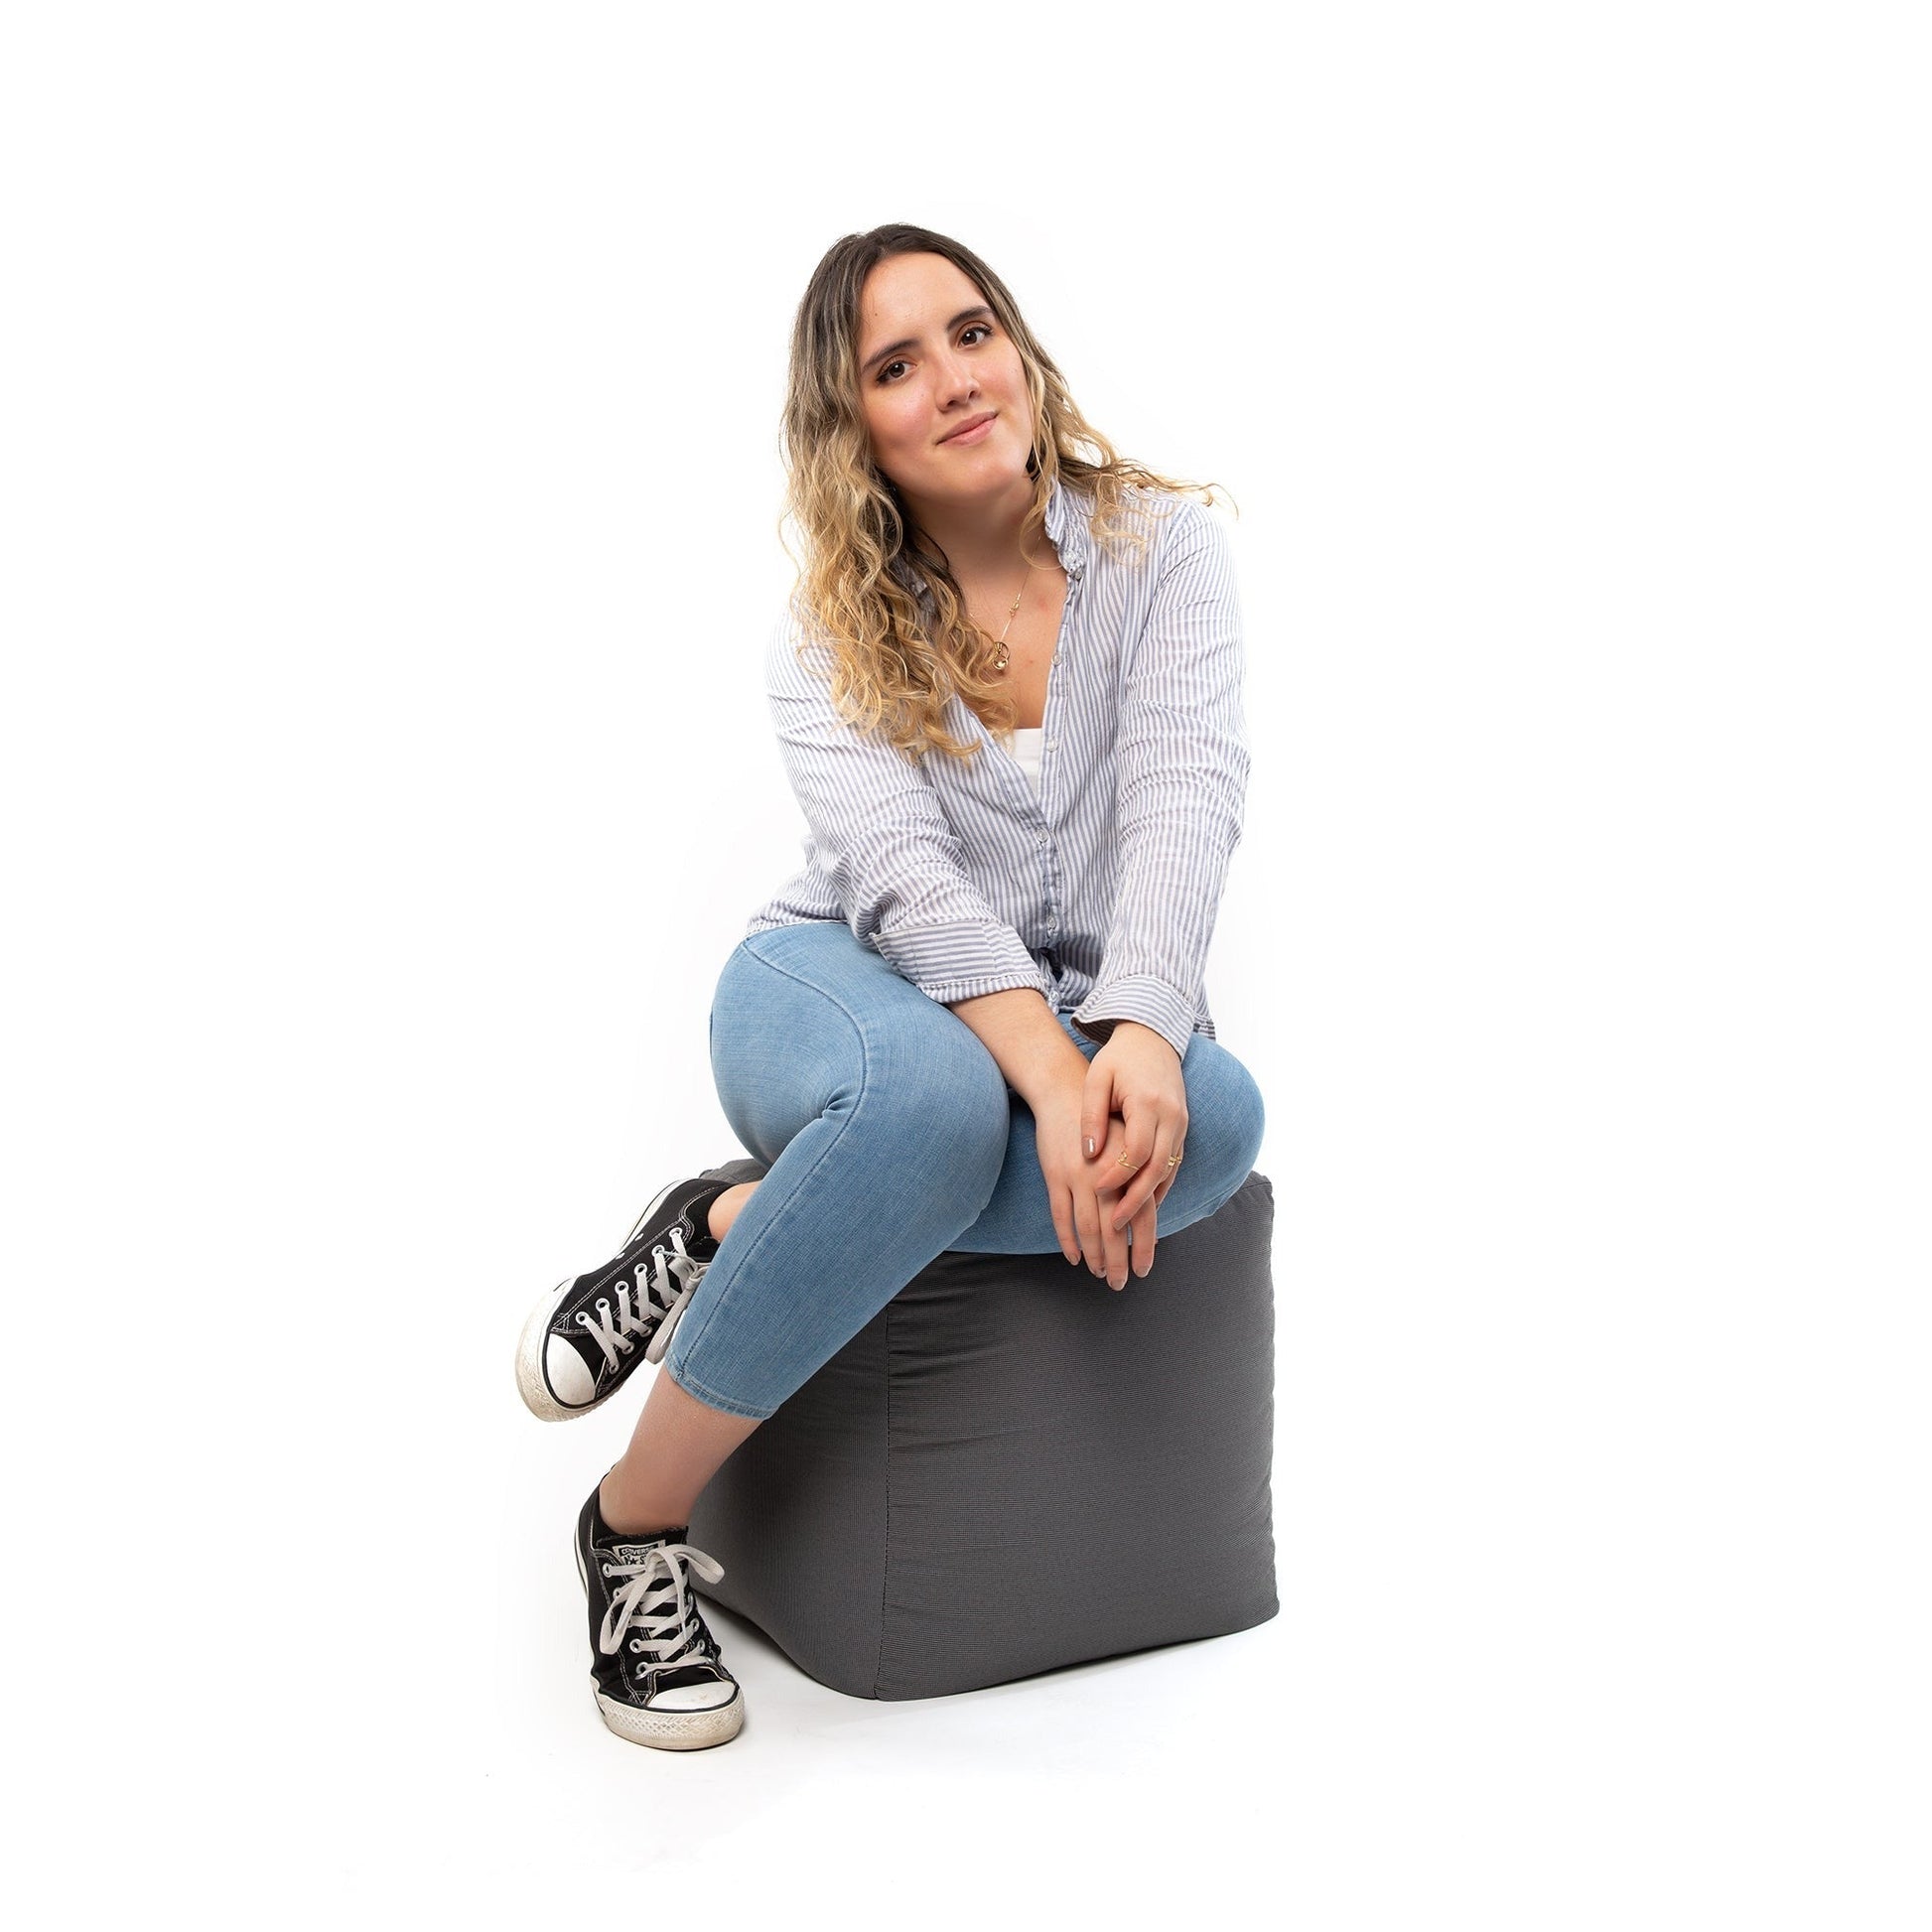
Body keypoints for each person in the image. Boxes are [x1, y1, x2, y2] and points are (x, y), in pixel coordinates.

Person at [514, 224, 1267, 1751]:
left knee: (1222, 1115)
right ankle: (629, 1523)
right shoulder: (823, 631)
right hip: (830, 978)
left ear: (1023, 350)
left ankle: (718, 1222)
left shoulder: (1162, 548)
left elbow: (1189, 788)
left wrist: (1139, 1033)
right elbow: (906, 889)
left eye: (971, 331)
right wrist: (1057, 1080)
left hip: (1053, 1005)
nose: (953, 379)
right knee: (925, 1099)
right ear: (855, 425)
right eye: (896, 365)